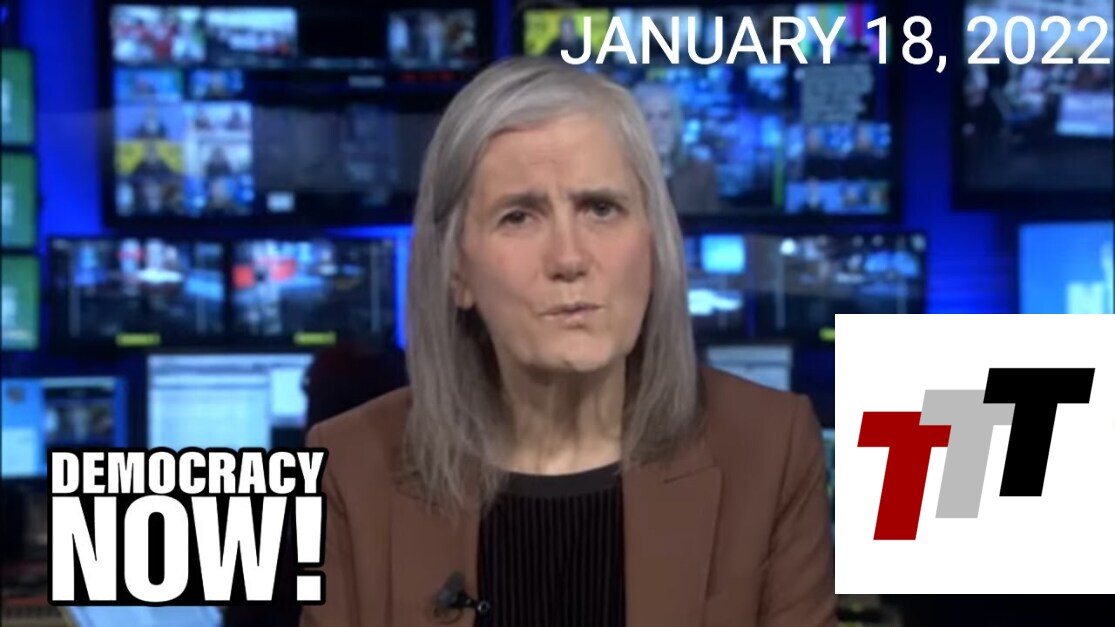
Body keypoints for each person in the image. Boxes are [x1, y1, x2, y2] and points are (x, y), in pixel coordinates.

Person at [301, 57, 835, 627]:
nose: (569, 258)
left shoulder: (767, 451)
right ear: (457, 271)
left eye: (601, 208)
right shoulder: (352, 468)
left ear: (654, 247)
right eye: (518, 217)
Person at [631, 82, 720, 215]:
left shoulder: (701, 174)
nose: (658, 127)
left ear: (676, 124)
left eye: (665, 117)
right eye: (648, 117)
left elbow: (713, 226)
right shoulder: (622, 177)